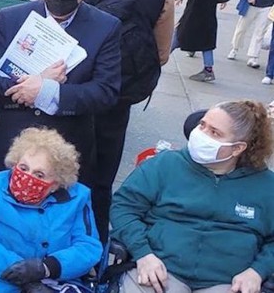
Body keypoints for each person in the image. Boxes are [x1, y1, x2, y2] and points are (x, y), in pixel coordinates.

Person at [0, 0, 121, 182]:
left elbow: (105, 92)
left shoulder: (105, 27)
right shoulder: (11, 18)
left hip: (65, 159)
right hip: (8, 149)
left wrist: (48, 91)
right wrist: (28, 88)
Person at [81, 0, 175, 243]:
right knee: (102, 177)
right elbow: (162, 52)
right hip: (120, 93)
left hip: (76, 89)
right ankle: (96, 246)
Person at [111, 100, 274, 293]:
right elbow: (123, 207)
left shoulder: (266, 186)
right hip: (161, 268)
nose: (201, 134)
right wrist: (143, 254)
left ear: (238, 148)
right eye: (202, 125)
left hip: (228, 281)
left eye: (215, 132)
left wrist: (257, 271)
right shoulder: (165, 164)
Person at [0, 128, 102, 293]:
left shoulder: (78, 198)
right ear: (14, 163)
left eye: (40, 175)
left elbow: (88, 246)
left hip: (57, 280)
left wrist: (46, 268)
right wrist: (21, 273)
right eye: (23, 168)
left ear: (56, 184)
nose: (27, 178)